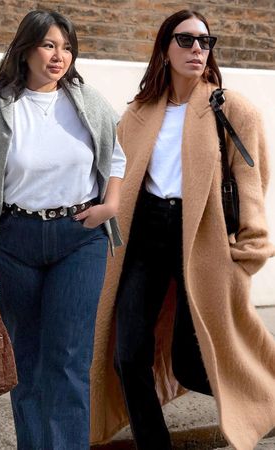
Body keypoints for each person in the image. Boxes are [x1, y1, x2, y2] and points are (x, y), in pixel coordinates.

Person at [89, 9, 275, 450]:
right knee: (128, 354)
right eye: (186, 40)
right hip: (145, 237)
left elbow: (251, 180)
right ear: (164, 48)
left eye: (205, 42)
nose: (197, 49)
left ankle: (265, 404)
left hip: (204, 241)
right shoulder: (138, 112)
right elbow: (115, 175)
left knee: (195, 362)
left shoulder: (229, 107)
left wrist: (250, 248)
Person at [0, 9, 126, 450]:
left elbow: (116, 158)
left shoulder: (87, 100)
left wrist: (112, 204)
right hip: (13, 242)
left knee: (68, 361)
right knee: (25, 362)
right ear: (26, 49)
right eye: (49, 45)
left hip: (78, 238)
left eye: (66, 47)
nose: (58, 56)